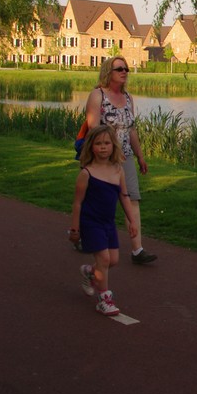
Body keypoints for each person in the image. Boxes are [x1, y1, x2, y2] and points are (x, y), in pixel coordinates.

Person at [85, 56, 157, 264]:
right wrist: (110, 150)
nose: (124, 72)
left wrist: (140, 156)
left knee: (132, 199)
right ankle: (82, 233)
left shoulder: (128, 98)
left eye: (126, 69)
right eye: (119, 69)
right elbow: (93, 128)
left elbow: (131, 129)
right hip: (103, 158)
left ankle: (137, 250)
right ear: (108, 72)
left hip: (125, 157)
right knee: (98, 202)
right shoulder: (97, 95)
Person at [70, 124, 138, 316]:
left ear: (113, 146)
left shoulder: (118, 170)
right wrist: (75, 229)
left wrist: (132, 221)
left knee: (113, 260)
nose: (103, 147)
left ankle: (89, 272)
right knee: (104, 259)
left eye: (107, 143)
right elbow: (77, 203)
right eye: (98, 143)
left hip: (108, 223)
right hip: (91, 222)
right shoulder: (86, 173)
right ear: (91, 146)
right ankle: (104, 300)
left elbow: (124, 196)